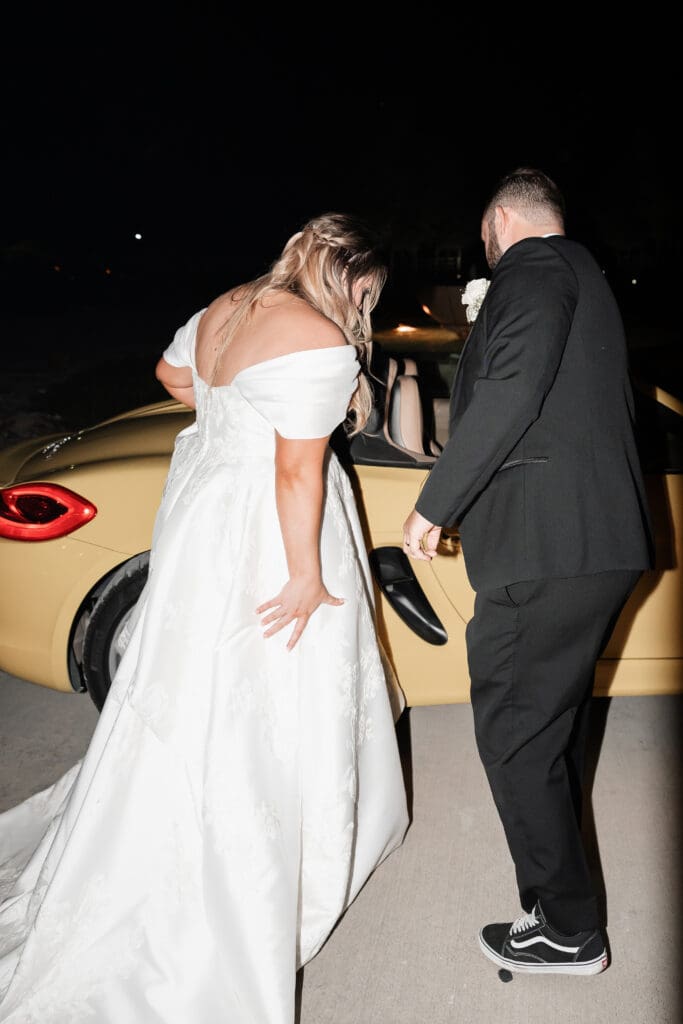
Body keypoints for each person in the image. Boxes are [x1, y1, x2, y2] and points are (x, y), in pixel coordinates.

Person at [0, 213, 409, 1022]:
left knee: (189, 670)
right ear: (353, 278)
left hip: (203, 513)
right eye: (369, 293)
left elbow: (171, 376)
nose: (366, 307)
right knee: (270, 680)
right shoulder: (318, 338)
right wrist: (305, 577)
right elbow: (295, 474)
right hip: (268, 528)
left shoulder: (229, 305)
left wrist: (229, 424)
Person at [402, 168, 653, 976]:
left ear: (504, 220)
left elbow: (510, 386)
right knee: (547, 725)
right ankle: (558, 905)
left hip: (548, 545)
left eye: (484, 238)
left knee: (514, 731)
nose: (484, 251)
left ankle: (569, 931)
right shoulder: (584, 276)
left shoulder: (535, 266)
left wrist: (435, 503)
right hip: (589, 541)